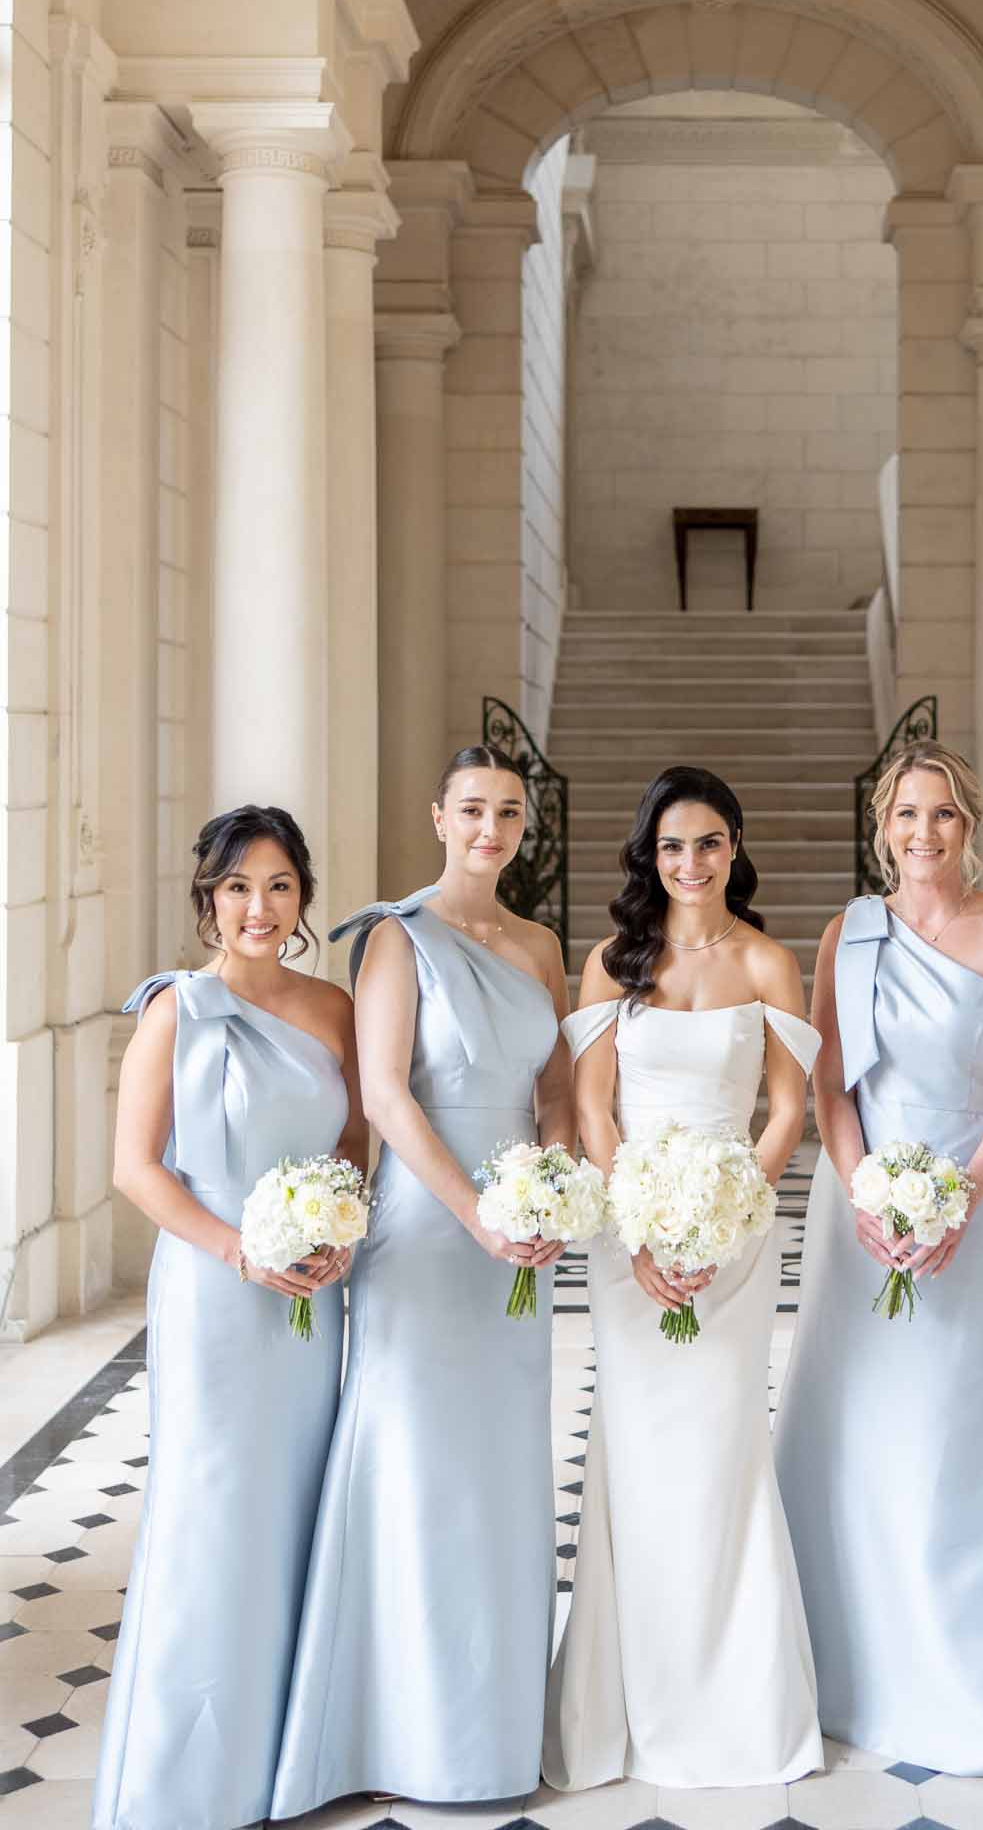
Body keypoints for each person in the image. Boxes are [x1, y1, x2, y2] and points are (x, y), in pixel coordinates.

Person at [271, 744, 573, 1815]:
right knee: (412, 1470)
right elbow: (388, 1098)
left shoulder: (540, 944)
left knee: (497, 1478)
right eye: (473, 809)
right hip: (427, 1229)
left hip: (514, 1246)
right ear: (438, 815)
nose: (490, 828)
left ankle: (487, 1733)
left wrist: (549, 1194)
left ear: (522, 826)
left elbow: (557, 1092)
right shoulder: (395, 938)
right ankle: (390, 1729)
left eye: (508, 812)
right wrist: (480, 1211)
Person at [775, 742, 983, 1776]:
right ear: (881, 826)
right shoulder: (848, 931)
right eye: (906, 815)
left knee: (960, 1436)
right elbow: (831, 1084)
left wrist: (960, 1201)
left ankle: (960, 1680)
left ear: (969, 823)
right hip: (860, 1210)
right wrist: (860, 1193)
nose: (923, 833)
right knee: (858, 1430)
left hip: (976, 1201)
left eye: (942, 814)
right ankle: (845, 1671)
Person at [543, 765, 824, 1792]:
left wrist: (732, 1214)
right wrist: (644, 1231)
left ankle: (735, 1706)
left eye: (709, 842)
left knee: (722, 1452)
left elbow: (787, 1109)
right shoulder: (610, 961)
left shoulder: (767, 961)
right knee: (638, 1456)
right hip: (631, 1240)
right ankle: (627, 1705)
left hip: (737, 1236)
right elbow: (593, 1112)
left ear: (736, 845)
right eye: (672, 845)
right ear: (648, 854)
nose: (690, 862)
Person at [93, 806, 365, 1830]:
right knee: (212, 1506)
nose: (261, 906)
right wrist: (235, 1248)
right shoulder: (177, 1009)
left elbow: (351, 1142)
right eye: (240, 886)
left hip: (309, 1292)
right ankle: (187, 1775)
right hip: (215, 1291)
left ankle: (285, 1755)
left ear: (301, 897)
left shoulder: (333, 1007)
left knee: (297, 1499)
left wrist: (338, 1227)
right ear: (209, 897)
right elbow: (134, 1168)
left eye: (281, 884)